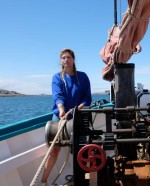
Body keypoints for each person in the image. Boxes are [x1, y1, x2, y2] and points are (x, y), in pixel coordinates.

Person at [41, 48, 92, 185]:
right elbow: (58, 96)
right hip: (60, 116)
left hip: (78, 115)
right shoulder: (57, 77)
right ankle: (44, 181)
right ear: (61, 61)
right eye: (63, 57)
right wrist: (61, 109)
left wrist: (78, 109)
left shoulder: (82, 77)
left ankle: (82, 178)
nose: (66, 60)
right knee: (54, 150)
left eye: (68, 57)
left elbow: (87, 97)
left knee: (80, 148)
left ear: (73, 59)